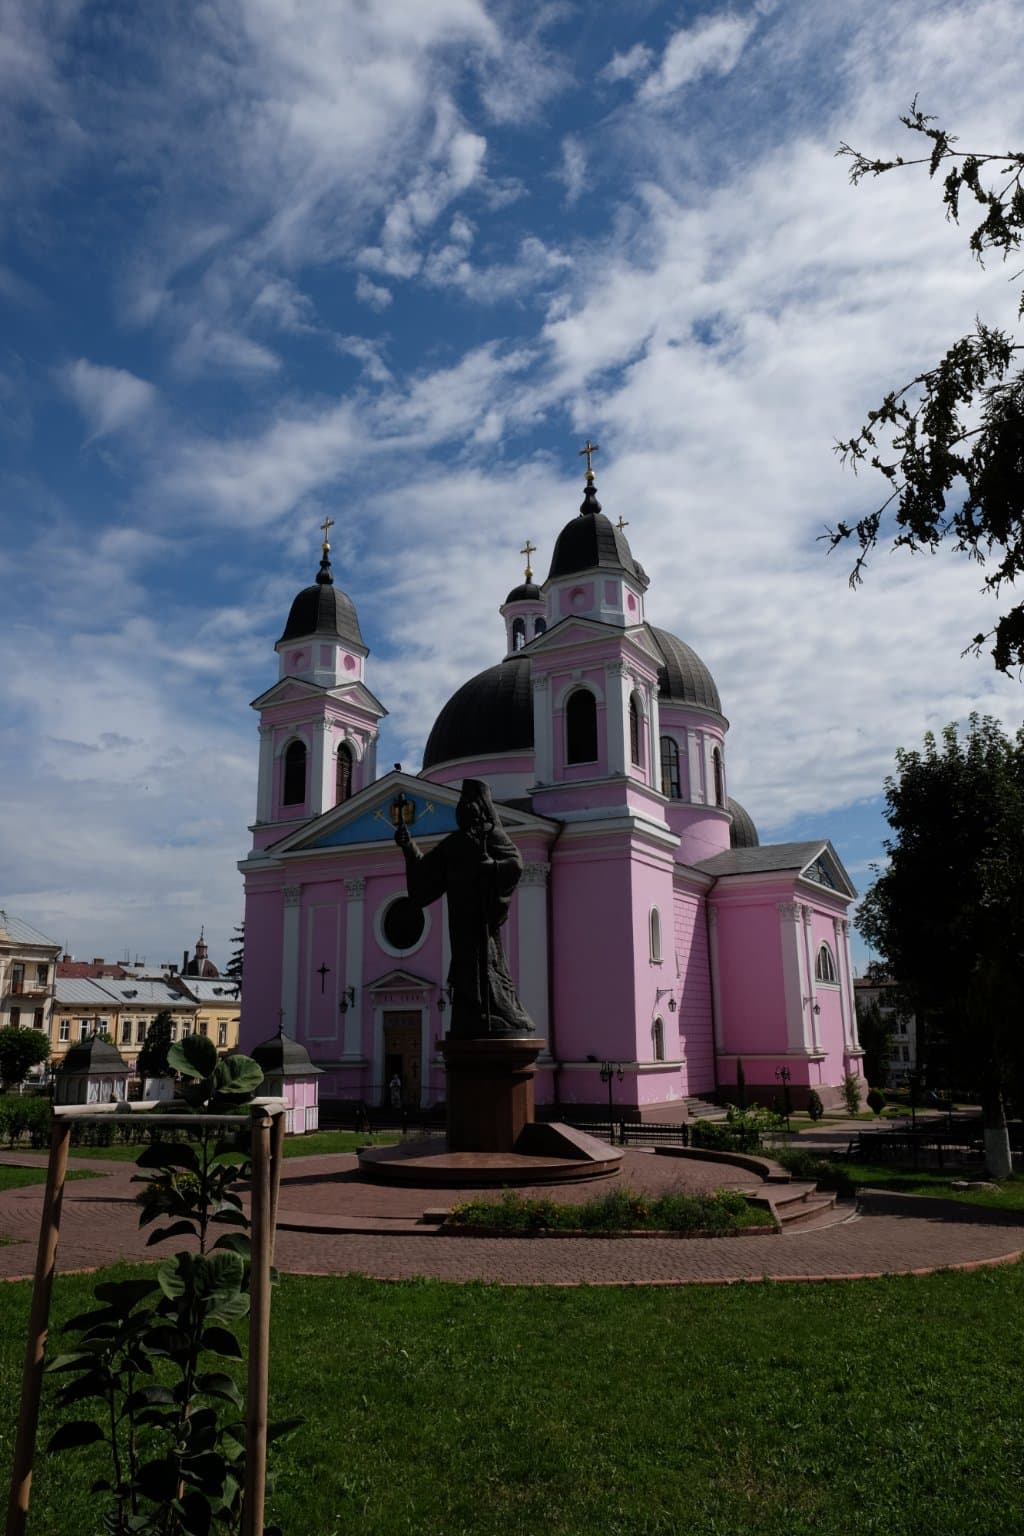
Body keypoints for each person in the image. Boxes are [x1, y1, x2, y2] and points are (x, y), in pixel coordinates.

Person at [395, 778, 535, 1040]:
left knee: (488, 966)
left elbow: (515, 863)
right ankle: (474, 1013)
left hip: (482, 920)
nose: (463, 807)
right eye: (461, 802)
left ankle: (496, 1011)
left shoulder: (491, 834)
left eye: (468, 802)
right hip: (460, 921)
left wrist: (489, 867)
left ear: (480, 805)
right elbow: (426, 876)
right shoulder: (454, 843)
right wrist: (408, 846)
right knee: (464, 969)